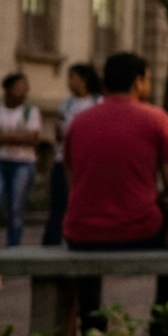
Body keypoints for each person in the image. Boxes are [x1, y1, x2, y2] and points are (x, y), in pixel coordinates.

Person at [64, 53, 168, 336]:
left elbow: (72, 181)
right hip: (140, 229)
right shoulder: (157, 119)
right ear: (138, 82)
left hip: (82, 231)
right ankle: (161, 333)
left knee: (87, 246)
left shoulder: (78, 121)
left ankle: (92, 331)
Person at [45, 64, 104, 245]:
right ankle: (51, 244)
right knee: (59, 206)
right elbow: (59, 135)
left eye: (73, 78)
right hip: (63, 160)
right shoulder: (67, 103)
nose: (69, 82)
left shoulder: (97, 102)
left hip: (86, 162)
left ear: (84, 80)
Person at [0, 73, 43, 247]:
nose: (22, 91)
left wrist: (6, 137)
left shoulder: (30, 111)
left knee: (16, 207)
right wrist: (20, 136)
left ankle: (13, 245)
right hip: (1, 161)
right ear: (8, 89)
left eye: (24, 88)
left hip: (23, 163)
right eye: (18, 87)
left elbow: (33, 139)